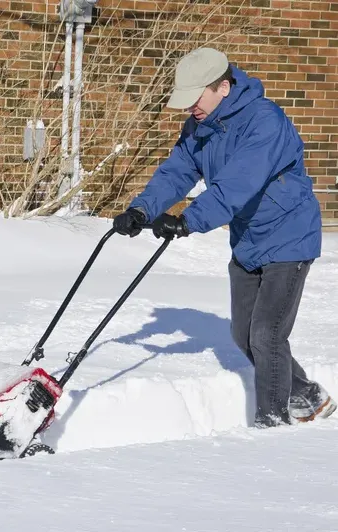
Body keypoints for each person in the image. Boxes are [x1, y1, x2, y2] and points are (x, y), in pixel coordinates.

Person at [111, 46, 334, 428]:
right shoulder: (199, 127)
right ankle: (307, 395)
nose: (189, 107)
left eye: (195, 97)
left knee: (266, 335)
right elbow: (177, 172)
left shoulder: (265, 121)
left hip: (290, 236)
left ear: (224, 87)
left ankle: (272, 426)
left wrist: (188, 220)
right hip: (248, 240)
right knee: (243, 335)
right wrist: (142, 210)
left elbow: (238, 183)